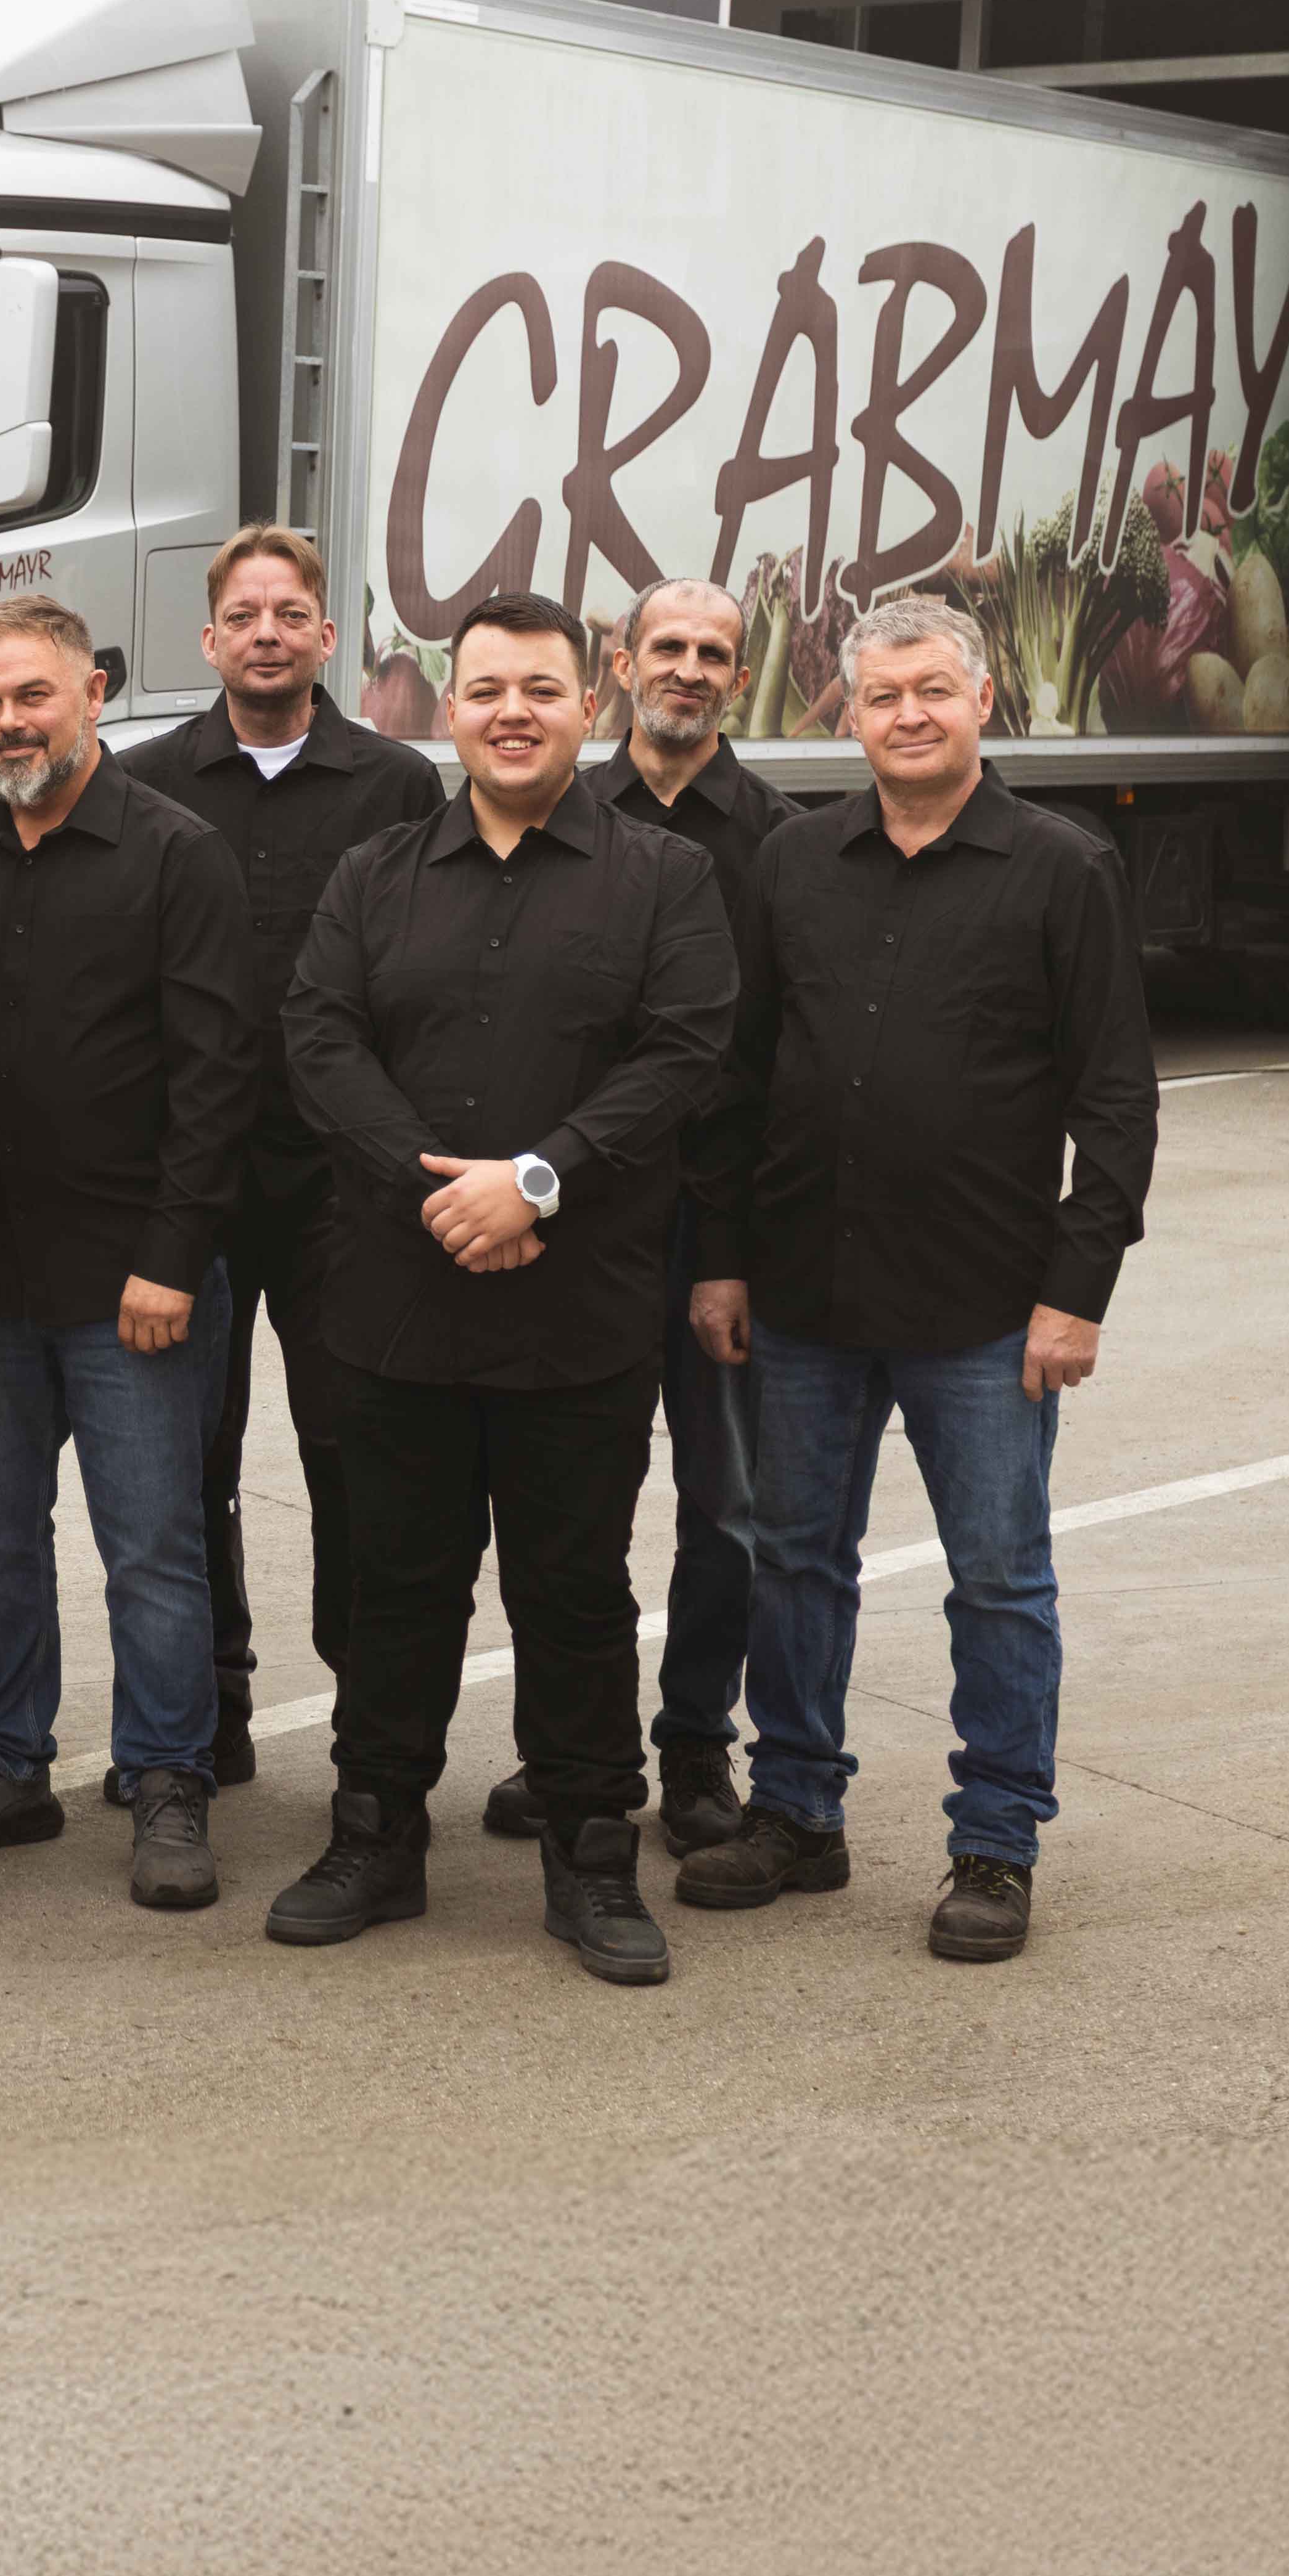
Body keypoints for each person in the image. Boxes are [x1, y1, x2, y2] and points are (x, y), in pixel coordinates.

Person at [677, 593, 1158, 1963]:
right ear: (848, 710)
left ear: (983, 699)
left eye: (931, 693)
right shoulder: (793, 861)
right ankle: (795, 1812)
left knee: (999, 1580)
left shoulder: (1064, 868)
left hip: (985, 1310)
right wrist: (720, 1260)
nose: (906, 716)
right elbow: (741, 1075)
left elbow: (1114, 1099)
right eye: (881, 696)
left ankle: (994, 1845)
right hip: (807, 1299)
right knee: (794, 1564)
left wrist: (1078, 1289)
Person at [271, 587, 734, 1987]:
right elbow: (319, 1039)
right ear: (446, 710)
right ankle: (375, 1837)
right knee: (394, 1585)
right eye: (485, 691)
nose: (512, 713)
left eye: (539, 689)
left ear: (583, 705)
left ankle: (590, 1856)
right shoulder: (373, 875)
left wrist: (532, 1180)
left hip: (576, 1312)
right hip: (396, 1309)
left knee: (575, 1594)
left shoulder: (664, 880)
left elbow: (682, 1052)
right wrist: (440, 1192)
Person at [0, 595, 253, 1914]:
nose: (6, 723)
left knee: (152, 1543)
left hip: (131, 1283)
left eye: (30, 696)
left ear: (92, 691)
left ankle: (168, 1782)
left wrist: (172, 1256)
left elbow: (219, 1079)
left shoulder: (177, 855)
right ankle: (5, 1763)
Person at [472, 576, 792, 1857]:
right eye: (669, 644)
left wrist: (730, 1254)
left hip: (709, 1232)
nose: (692, 668)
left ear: (737, 674)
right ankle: (570, 1743)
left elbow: (765, 1064)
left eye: (716, 652)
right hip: (570, 1223)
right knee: (571, 1502)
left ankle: (696, 1743)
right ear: (620, 662)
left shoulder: (777, 838)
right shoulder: (554, 805)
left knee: (724, 1506)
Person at [133, 524, 442, 1788]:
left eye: (290, 612)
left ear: (327, 637)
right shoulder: (148, 783)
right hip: (190, 1188)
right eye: (243, 613)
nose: (267, 631)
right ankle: (210, 1710)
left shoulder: (398, 787)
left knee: (349, 1453)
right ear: (208, 641)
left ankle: (370, 1724)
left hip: (342, 1193)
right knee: (186, 1462)